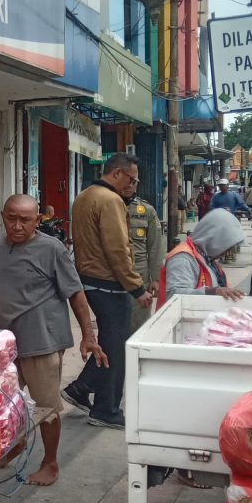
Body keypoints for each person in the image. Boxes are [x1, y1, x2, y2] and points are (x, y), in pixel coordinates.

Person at [0, 195, 106, 486]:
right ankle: (15, 445)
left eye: (25, 219)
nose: (17, 225)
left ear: (38, 220)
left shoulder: (52, 249)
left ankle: (50, 463)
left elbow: (75, 292)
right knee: (6, 403)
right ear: (2, 215)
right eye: (12, 217)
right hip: (6, 342)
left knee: (46, 406)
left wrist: (88, 335)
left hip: (43, 340)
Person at [62, 153, 152, 429]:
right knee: (117, 345)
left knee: (112, 341)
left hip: (89, 278)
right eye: (131, 178)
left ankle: (84, 389)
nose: (133, 185)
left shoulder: (84, 195)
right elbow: (118, 249)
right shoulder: (111, 200)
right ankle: (105, 407)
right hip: (108, 282)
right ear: (117, 173)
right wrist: (136, 287)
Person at [157, 209, 247, 303]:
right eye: (227, 245)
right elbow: (175, 295)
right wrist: (212, 291)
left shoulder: (206, 256)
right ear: (213, 239)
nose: (227, 251)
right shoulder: (182, 259)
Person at [128, 188, 166, 333]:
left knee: (139, 322)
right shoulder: (106, 206)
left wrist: (156, 278)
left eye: (133, 182)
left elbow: (155, 246)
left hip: (140, 274)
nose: (128, 186)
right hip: (111, 275)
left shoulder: (146, 210)